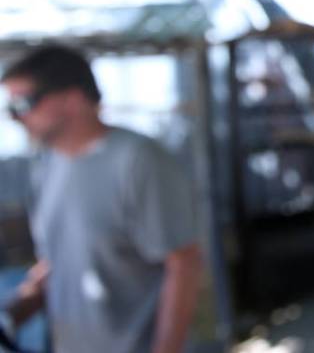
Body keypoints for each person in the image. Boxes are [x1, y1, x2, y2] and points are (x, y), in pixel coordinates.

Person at [0, 45, 202, 353]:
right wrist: (13, 314)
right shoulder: (48, 164)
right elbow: (59, 260)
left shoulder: (137, 161)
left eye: (24, 103)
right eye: (10, 108)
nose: (16, 117)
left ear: (73, 98)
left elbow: (183, 264)